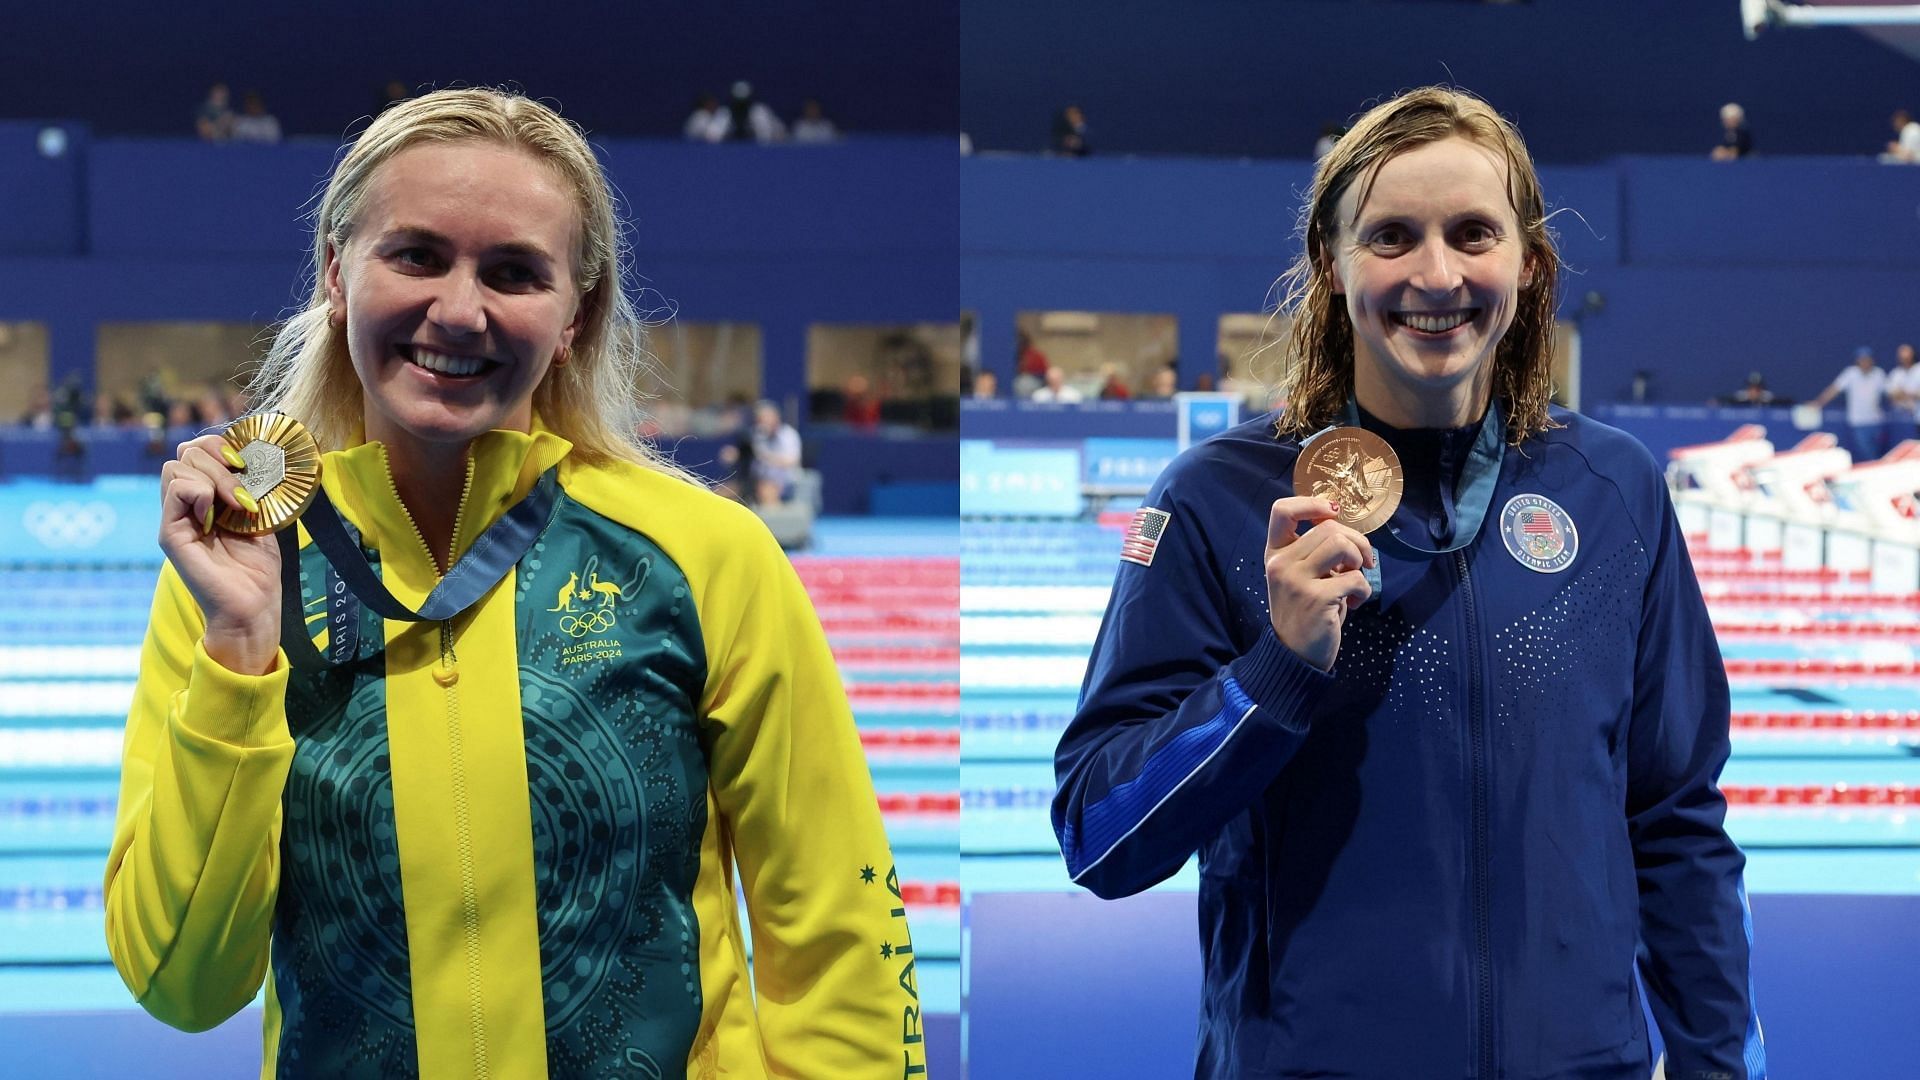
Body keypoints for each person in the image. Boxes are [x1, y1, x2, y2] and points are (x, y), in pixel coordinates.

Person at [105, 88, 921, 1079]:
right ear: (335, 272)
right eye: (415, 255)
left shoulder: (707, 556)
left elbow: (839, 935)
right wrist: (238, 647)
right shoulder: (245, 568)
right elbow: (182, 986)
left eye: (513, 272)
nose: (459, 308)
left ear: (576, 315)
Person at [1053, 86, 1765, 1080]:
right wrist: (1273, 677)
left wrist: (1719, 1066)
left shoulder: (1614, 492)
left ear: (1529, 264)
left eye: (1473, 233)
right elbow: (1098, 836)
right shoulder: (1218, 500)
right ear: (1331, 266)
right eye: (1392, 236)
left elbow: (1677, 824)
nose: (1437, 274)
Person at [1809, 346, 1888, 460]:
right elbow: (1834, 389)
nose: (1864, 362)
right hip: (1858, 422)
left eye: (1867, 359)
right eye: (1862, 359)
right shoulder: (1850, 373)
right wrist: (1818, 403)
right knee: (1867, 454)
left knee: (1879, 453)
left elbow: (1891, 393)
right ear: (1857, 361)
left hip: (1876, 422)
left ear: (1872, 360)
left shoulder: (1879, 374)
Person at [748, 398, 802, 502]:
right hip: (758, 478)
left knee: (767, 489)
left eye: (766, 418)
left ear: (776, 417)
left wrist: (768, 458)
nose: (763, 422)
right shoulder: (758, 434)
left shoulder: (789, 434)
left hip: (785, 479)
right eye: (760, 419)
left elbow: (791, 461)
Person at [1887, 342, 1918, 440]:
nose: (1904, 357)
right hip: (1901, 420)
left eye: (1907, 353)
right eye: (1901, 354)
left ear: (1912, 354)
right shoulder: (1896, 373)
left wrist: (1906, 393)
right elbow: (1892, 395)